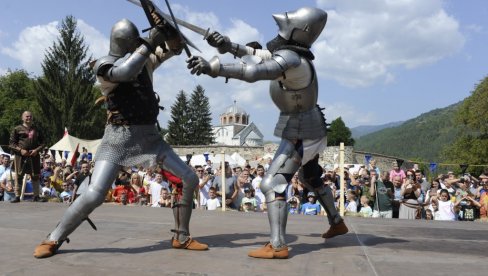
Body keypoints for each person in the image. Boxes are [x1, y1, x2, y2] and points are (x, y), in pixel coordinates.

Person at [33, 16, 208, 258]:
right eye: (134, 43)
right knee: (95, 194)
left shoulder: (144, 59)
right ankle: (53, 238)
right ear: (127, 43)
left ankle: (181, 236)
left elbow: (174, 48)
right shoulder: (104, 67)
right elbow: (125, 72)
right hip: (118, 138)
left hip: (150, 137)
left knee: (189, 178)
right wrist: (150, 41)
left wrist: (167, 31)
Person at [188, 6, 347, 259]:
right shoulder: (294, 55)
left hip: (300, 131)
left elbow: (253, 71)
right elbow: (254, 53)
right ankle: (337, 221)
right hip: (310, 126)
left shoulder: (291, 59)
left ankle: (277, 245)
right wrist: (226, 44)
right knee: (311, 178)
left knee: (272, 183)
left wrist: (214, 68)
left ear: (299, 30)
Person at [9, 111, 46, 203]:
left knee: (35, 176)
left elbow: (43, 143)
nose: (28, 118)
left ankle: (36, 196)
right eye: (27, 117)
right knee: (18, 176)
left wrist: (36, 150)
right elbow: (11, 144)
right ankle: (17, 196)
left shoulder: (37, 129)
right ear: (22, 118)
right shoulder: (17, 129)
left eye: (30, 116)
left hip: (34, 155)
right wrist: (20, 150)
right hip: (20, 156)